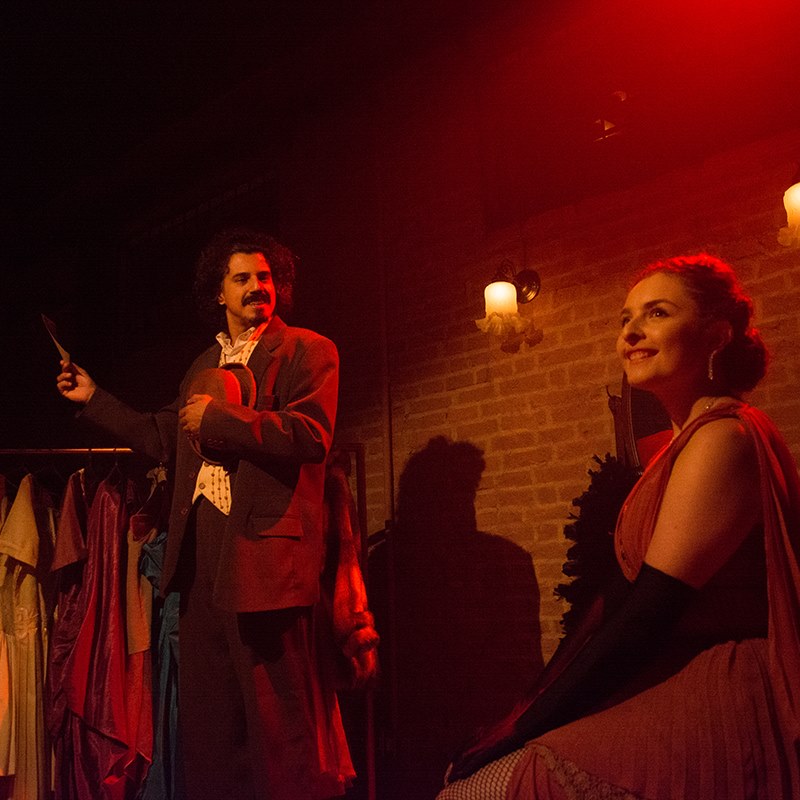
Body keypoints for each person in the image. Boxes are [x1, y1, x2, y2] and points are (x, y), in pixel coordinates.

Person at [438, 253, 800, 799]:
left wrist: (522, 730)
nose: (631, 331)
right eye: (625, 318)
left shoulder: (722, 437)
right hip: (677, 673)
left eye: (657, 313)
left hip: (723, 686)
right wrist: (522, 709)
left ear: (717, 335)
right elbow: (611, 600)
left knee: (478, 791)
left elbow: (647, 613)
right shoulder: (684, 442)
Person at [57, 228, 355, 800]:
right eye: (242, 278)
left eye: (264, 277)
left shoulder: (307, 349)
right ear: (219, 292)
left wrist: (217, 420)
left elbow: (310, 434)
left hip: (266, 558)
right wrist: (94, 399)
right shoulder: (203, 363)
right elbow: (162, 436)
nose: (256, 287)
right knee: (210, 729)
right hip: (199, 560)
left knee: (278, 730)